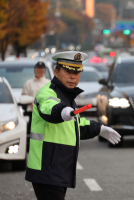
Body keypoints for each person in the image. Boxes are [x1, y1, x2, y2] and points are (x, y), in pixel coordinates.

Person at [25, 51, 121, 200]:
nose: (73, 76)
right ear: (56, 72)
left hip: (58, 169)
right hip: (46, 169)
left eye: (77, 72)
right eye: (68, 71)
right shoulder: (46, 92)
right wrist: (62, 111)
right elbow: (50, 107)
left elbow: (77, 125)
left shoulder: (67, 96)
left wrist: (99, 129)